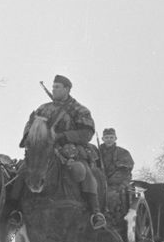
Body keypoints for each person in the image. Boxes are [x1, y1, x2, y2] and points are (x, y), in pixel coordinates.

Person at [12, 74, 106, 230]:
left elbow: (86, 133)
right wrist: (32, 136)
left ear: (67, 89)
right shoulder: (43, 108)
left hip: (70, 150)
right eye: (53, 86)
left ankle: (95, 213)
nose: (54, 89)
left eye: (57, 87)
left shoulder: (80, 110)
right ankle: (15, 209)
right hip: (43, 150)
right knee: (22, 171)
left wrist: (63, 136)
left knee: (84, 172)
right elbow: (30, 125)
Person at [97, 128, 134, 215]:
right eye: (106, 137)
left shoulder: (123, 152)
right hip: (100, 183)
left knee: (111, 196)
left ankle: (112, 218)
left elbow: (125, 171)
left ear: (115, 138)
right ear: (103, 139)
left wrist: (110, 181)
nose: (109, 140)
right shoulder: (97, 152)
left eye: (111, 137)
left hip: (118, 183)